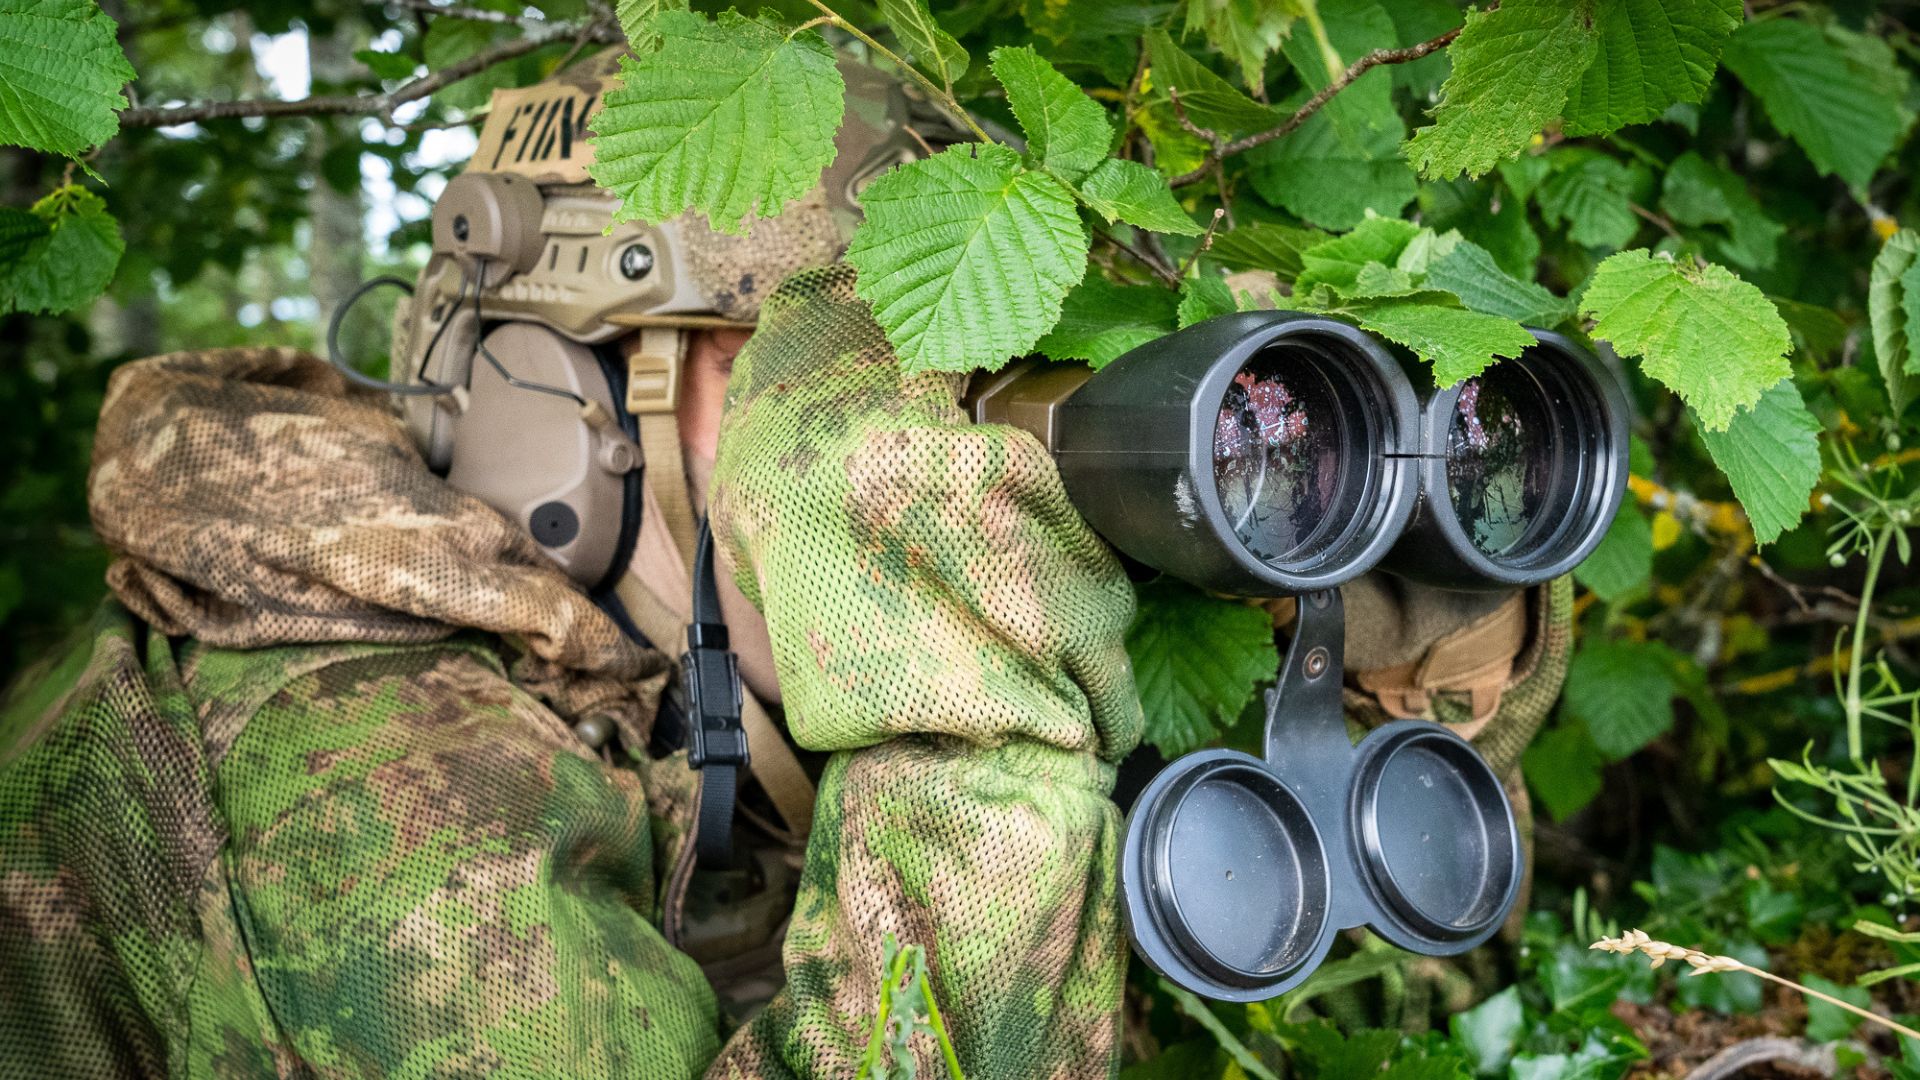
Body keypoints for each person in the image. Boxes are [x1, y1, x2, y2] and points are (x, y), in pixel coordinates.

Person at [0, 48, 1570, 1080]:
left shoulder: (660, 685)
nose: (933, 425)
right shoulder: (352, 793)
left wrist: (1409, 573)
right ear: (569, 407)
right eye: (821, 355)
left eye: (971, 356)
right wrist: (976, 737)